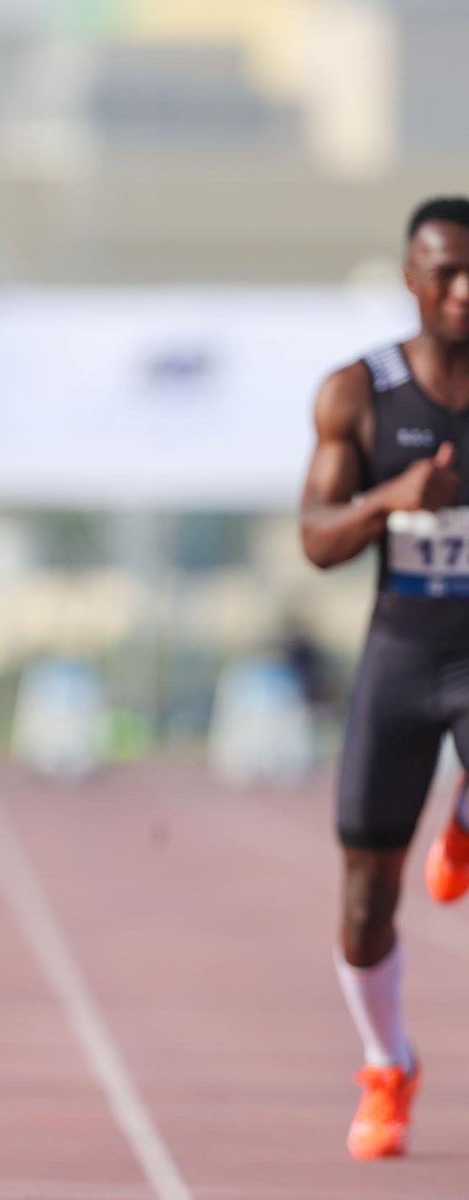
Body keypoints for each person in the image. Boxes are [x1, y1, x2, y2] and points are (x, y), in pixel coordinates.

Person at [300, 195, 469, 1161]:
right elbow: (316, 541)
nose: (463, 291)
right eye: (445, 271)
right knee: (367, 894)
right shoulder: (358, 394)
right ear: (412, 277)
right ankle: (387, 1063)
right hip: (402, 654)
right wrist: (392, 498)